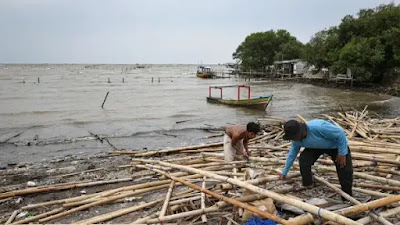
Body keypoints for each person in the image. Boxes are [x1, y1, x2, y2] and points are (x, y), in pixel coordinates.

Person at [279, 119, 353, 196]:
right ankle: (308, 184)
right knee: (304, 160)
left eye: (294, 137)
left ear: (300, 132)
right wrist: (285, 171)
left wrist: (342, 153)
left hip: (335, 145)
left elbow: (340, 134)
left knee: (343, 168)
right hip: (314, 147)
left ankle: (347, 194)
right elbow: (292, 154)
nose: (293, 140)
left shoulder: (318, 128)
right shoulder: (296, 141)